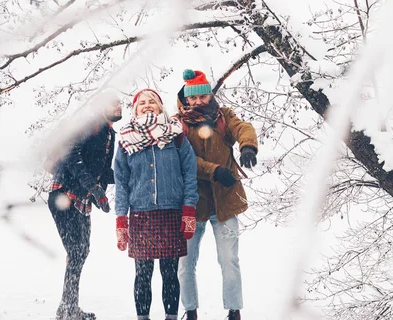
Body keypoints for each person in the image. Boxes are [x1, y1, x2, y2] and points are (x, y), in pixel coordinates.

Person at [175, 70, 258, 320]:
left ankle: (234, 311)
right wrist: (215, 170)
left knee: (229, 260)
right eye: (194, 97)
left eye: (203, 95)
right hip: (191, 204)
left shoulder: (224, 116)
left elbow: (243, 127)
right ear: (186, 99)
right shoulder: (177, 124)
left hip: (226, 202)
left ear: (210, 95)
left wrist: (247, 146)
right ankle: (190, 311)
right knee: (185, 264)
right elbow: (185, 159)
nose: (199, 101)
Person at [114, 88, 199, 320]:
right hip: (141, 214)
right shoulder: (125, 140)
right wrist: (121, 219)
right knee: (142, 274)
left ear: (161, 107)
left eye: (152, 101)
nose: (147, 105)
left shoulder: (176, 134)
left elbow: (190, 173)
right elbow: (120, 181)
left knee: (170, 272)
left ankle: (171, 317)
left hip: (171, 212)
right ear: (135, 109)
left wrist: (189, 210)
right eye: (142, 103)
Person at [44, 92, 122, 320]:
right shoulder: (90, 124)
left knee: (81, 252)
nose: (117, 106)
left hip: (82, 199)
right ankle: (67, 310)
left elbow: (103, 171)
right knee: (77, 252)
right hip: (64, 195)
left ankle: (69, 307)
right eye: (111, 102)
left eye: (119, 103)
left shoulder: (109, 134)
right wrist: (95, 190)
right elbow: (71, 156)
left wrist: (129, 176)